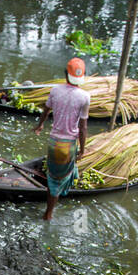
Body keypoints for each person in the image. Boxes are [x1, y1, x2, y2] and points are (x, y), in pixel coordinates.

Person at [32, 58, 90, 221]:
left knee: (57, 175)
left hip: (54, 142)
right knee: (57, 181)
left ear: (66, 75)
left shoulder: (55, 90)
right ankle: (48, 214)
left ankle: (51, 206)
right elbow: (83, 127)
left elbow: (46, 110)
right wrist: (83, 149)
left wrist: (40, 125)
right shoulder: (85, 97)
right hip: (68, 145)